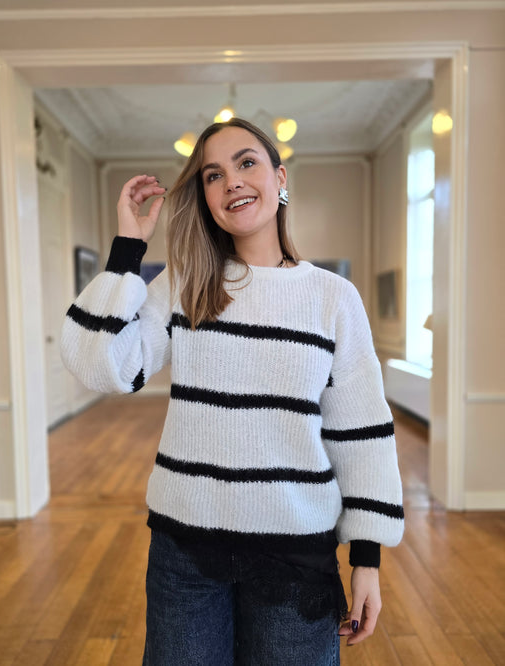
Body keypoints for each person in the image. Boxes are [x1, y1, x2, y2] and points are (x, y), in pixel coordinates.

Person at [60, 117, 404, 665]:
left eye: (247, 163)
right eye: (213, 175)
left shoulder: (333, 298)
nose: (232, 182)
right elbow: (102, 364)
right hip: (185, 551)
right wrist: (128, 247)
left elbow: (360, 432)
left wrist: (367, 559)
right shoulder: (186, 281)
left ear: (280, 178)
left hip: (295, 552)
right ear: (205, 197)